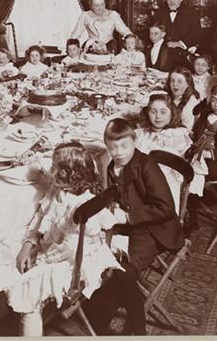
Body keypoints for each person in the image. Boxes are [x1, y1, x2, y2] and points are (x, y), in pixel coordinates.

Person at [0, 142, 121, 336]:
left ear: (69, 175)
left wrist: (41, 258)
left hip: (72, 261)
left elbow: (75, 246)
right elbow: (44, 217)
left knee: (30, 297)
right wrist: (29, 244)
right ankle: (0, 307)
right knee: (3, 249)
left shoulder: (85, 207)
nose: (50, 171)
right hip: (50, 245)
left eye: (55, 168)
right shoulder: (58, 191)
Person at [84, 118, 182, 336]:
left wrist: (128, 217)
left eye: (124, 146)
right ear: (106, 146)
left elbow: (166, 208)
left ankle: (138, 330)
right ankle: (101, 311)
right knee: (95, 253)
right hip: (129, 225)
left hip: (155, 228)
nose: (118, 152)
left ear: (134, 141)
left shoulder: (147, 166)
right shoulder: (112, 166)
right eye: (113, 147)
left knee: (124, 272)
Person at [152, 0, 201, 66]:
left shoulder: (192, 13)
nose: (172, 1)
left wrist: (179, 43)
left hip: (183, 55)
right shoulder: (159, 13)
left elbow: (196, 33)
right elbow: (154, 32)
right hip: (163, 56)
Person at [135, 93, 193, 158]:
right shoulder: (142, 134)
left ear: (172, 113)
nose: (158, 116)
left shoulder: (175, 136)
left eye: (163, 112)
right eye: (153, 112)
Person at [165, 67, 201, 131]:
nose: (175, 84)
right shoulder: (169, 95)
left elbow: (187, 130)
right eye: (172, 80)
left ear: (188, 84)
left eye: (179, 81)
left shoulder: (192, 103)